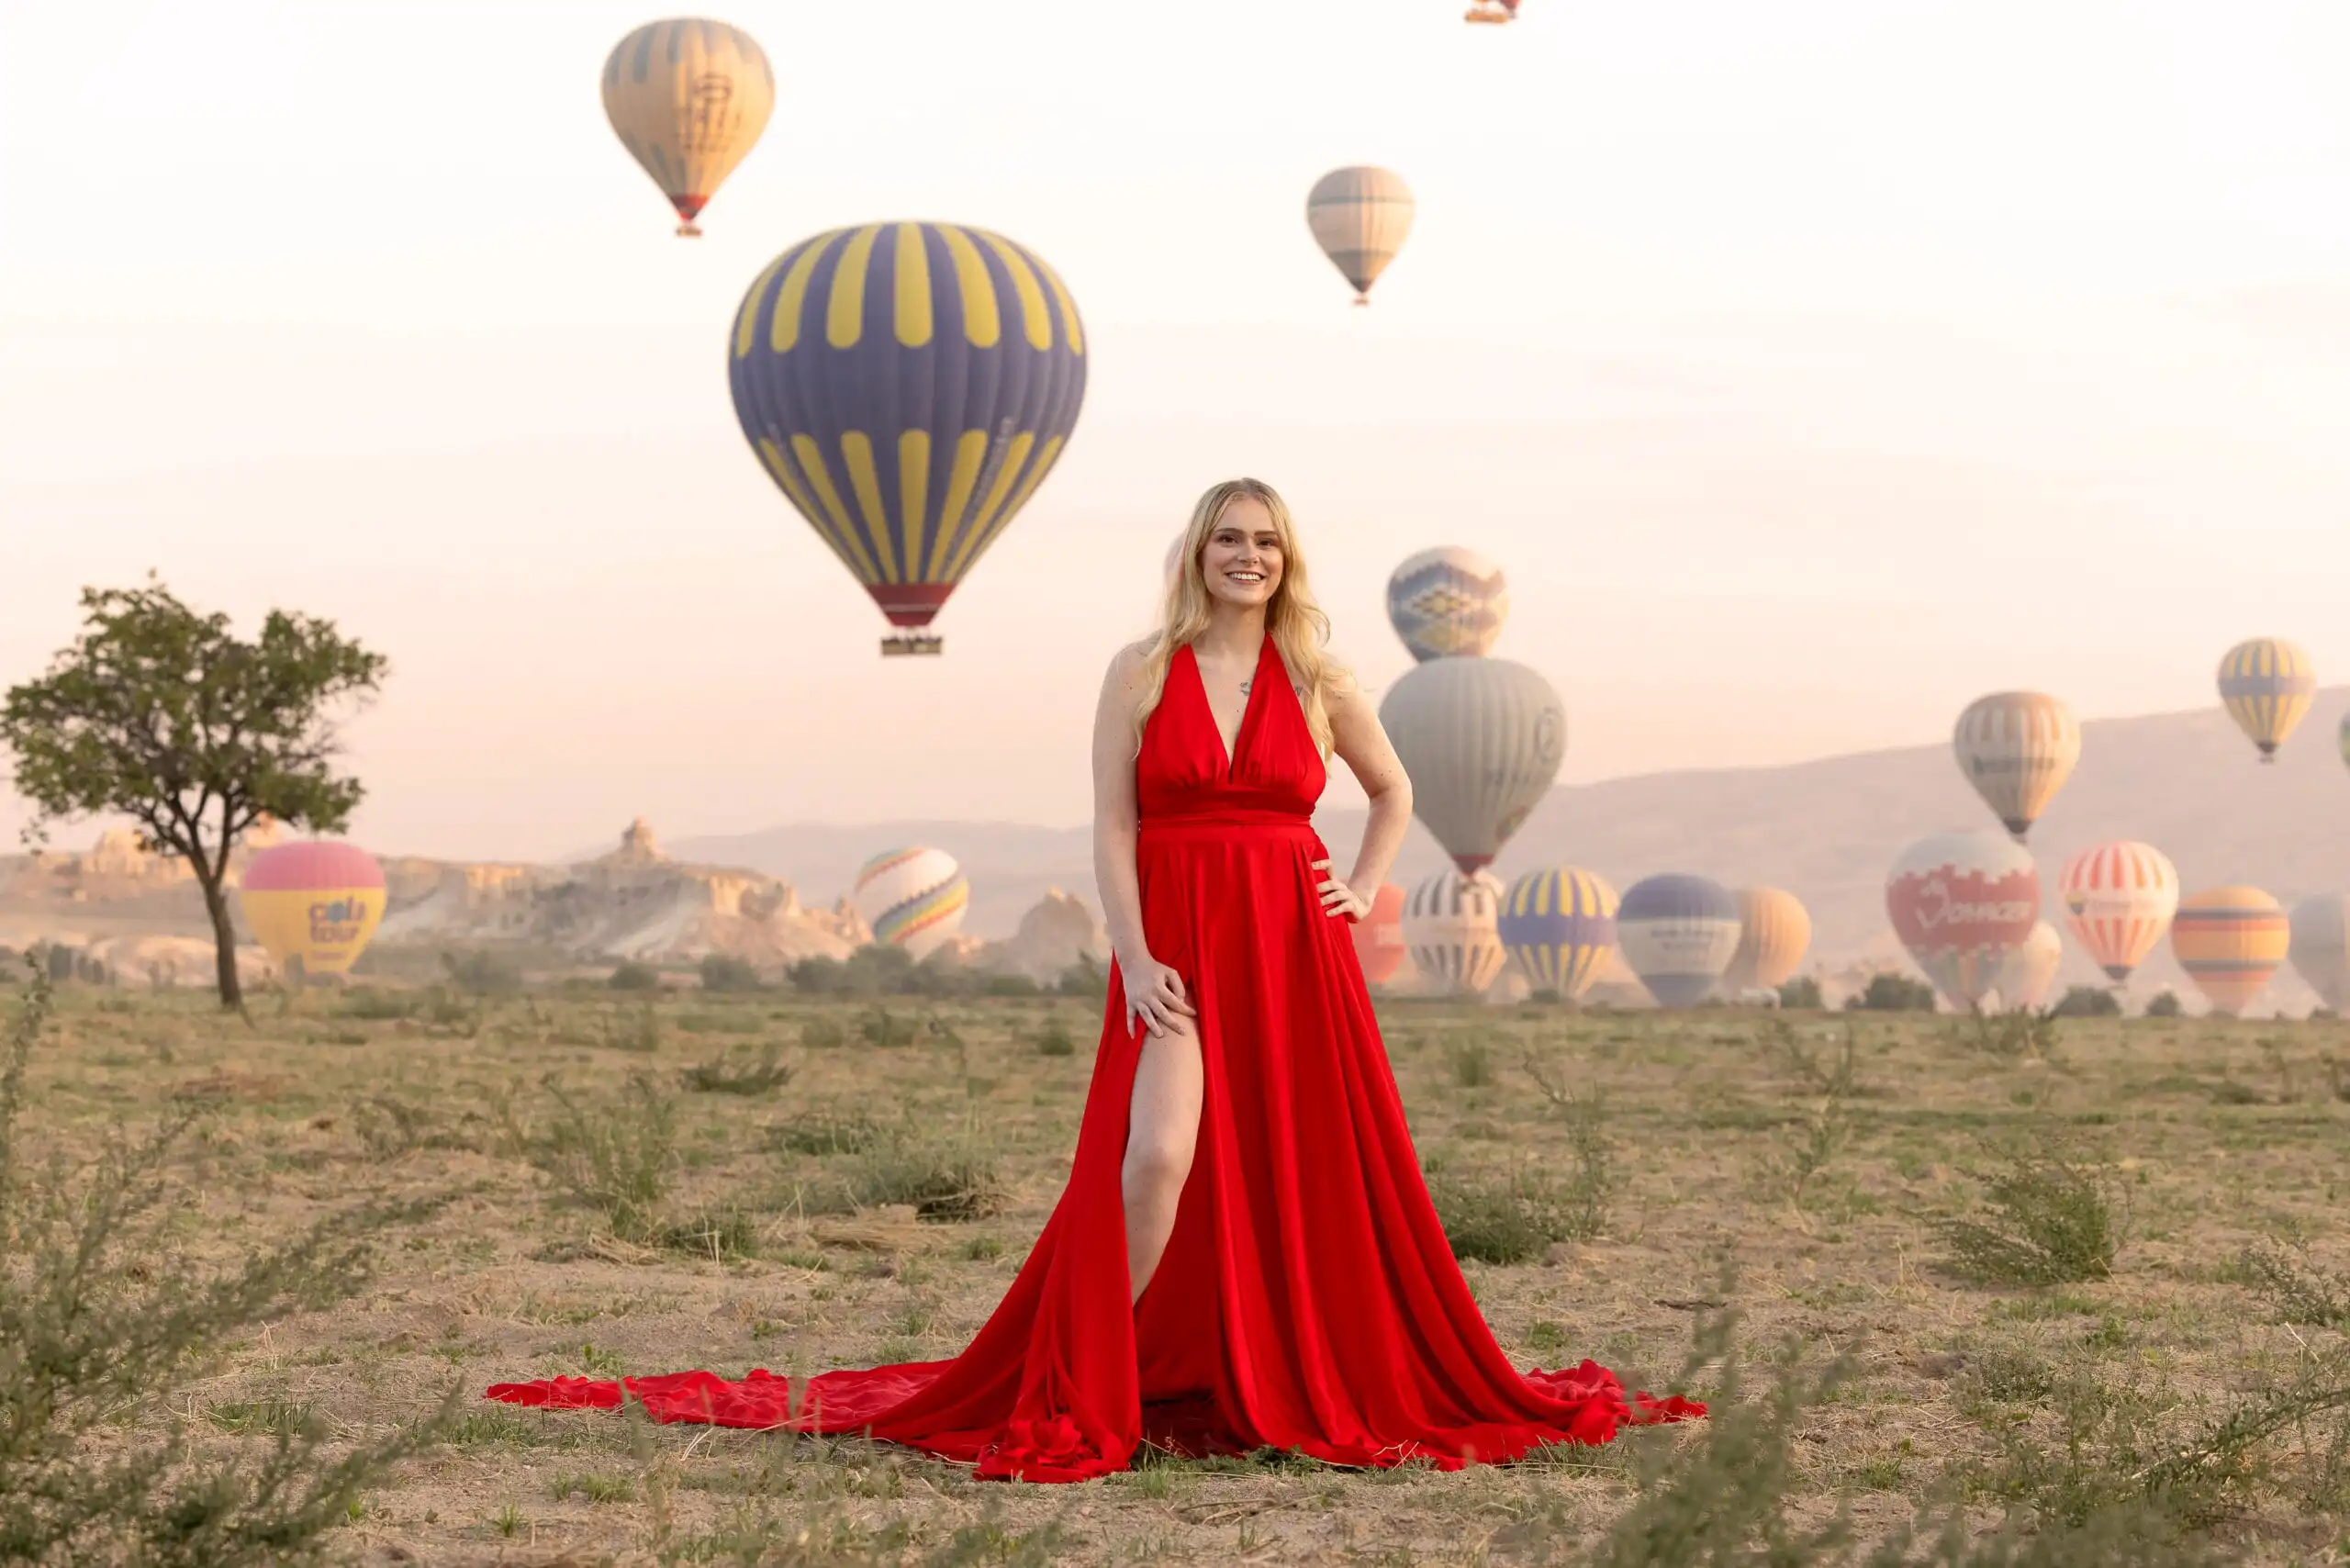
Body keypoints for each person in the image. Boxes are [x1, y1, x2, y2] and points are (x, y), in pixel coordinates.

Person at [485, 478, 1700, 1480]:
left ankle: (1262, 1361)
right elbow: (1112, 829)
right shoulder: (1140, 669)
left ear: (1291, 560)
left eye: (1267, 542)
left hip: (1289, 945)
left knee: (1296, 1164)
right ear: (1194, 554)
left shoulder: (1322, 680)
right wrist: (1132, 953)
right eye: (1228, 539)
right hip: (1171, 939)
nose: (1248, 558)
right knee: (1157, 1157)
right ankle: (1084, 1373)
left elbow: (1394, 791)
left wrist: (1365, 886)